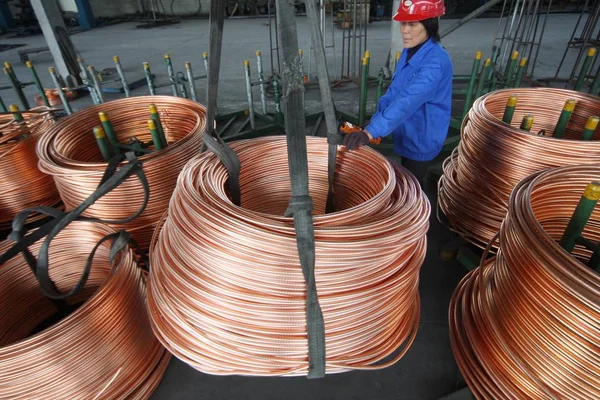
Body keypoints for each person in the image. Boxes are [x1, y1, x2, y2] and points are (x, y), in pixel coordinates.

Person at [343, 0, 453, 186]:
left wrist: (371, 132)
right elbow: (395, 92)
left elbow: (407, 101)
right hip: (406, 129)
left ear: (430, 24)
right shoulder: (410, 52)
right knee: (405, 177)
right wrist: (376, 122)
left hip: (422, 136)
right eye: (403, 23)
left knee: (413, 189)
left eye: (412, 24)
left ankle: (421, 214)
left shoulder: (435, 63)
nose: (404, 31)